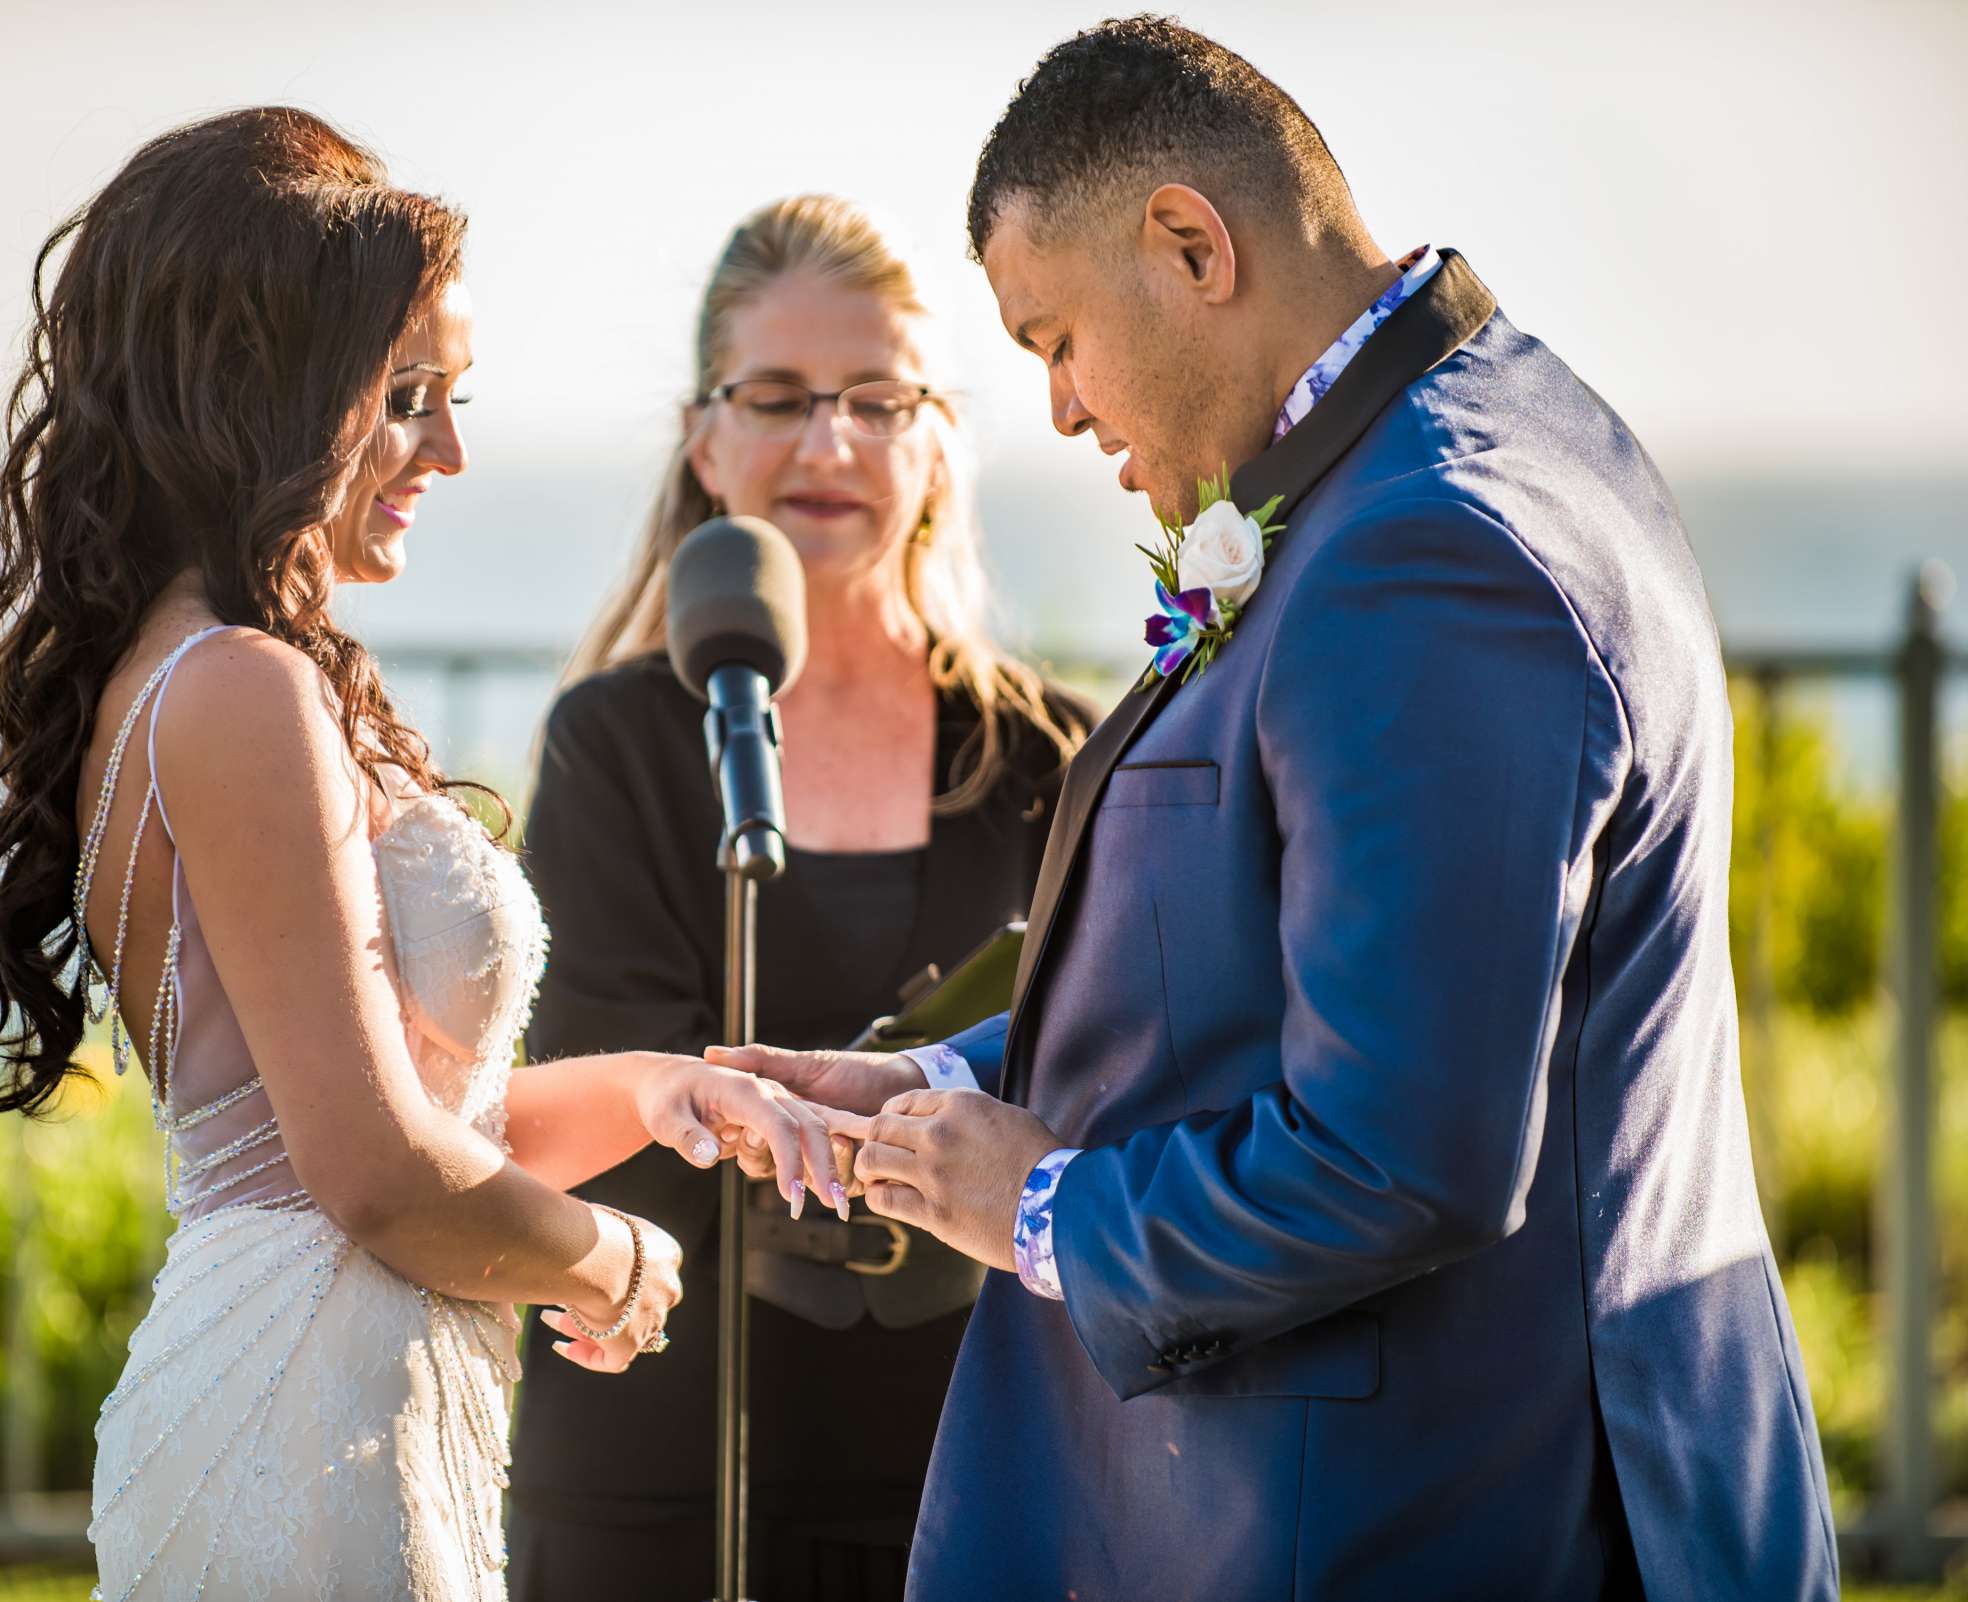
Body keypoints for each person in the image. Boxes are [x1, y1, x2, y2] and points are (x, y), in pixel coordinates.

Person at [719, 18, 1840, 1600]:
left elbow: (1403, 1151)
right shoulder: (1448, 452)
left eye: (1056, 339)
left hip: (1408, 1523)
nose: (1054, 408)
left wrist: (1041, 1208)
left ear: (1190, 242)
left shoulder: (1428, 554)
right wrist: (928, 1090)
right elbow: (1248, 966)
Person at [0, 109, 846, 1602]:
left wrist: (665, 1088)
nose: (451, 447)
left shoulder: (234, 673)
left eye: (457, 394)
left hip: (341, 1389)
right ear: (270, 386)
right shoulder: (235, 686)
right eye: (410, 394)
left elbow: (419, 1118)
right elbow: (374, 1177)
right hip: (305, 1422)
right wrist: (610, 1261)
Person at [505, 195, 1087, 1601]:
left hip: (986, 1480)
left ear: (940, 442)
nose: (827, 443)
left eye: (877, 399)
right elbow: (606, 1112)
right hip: (659, 1481)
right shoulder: (613, 744)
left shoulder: (1053, 759)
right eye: (776, 397)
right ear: (705, 440)